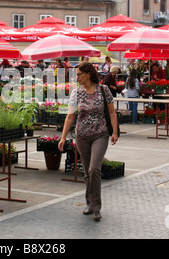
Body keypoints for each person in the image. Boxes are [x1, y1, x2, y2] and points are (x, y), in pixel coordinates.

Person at [58, 62, 118, 222]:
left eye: (79, 74)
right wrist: (63, 137)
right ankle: (90, 204)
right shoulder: (76, 93)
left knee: (94, 170)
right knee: (87, 172)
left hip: (101, 134)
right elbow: (70, 116)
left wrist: (115, 131)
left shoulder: (103, 90)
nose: (76, 77)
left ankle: (96, 207)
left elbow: (112, 111)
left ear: (88, 74)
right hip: (82, 136)